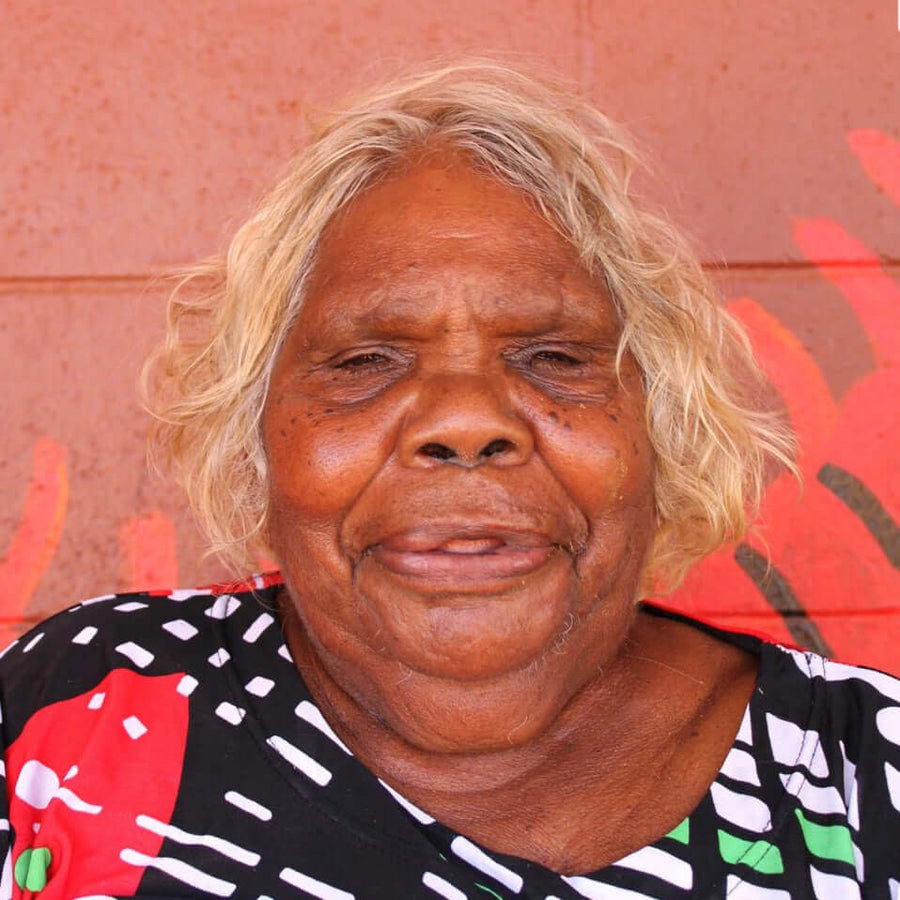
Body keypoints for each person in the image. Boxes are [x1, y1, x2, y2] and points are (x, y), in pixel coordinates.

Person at [1, 62, 897, 900]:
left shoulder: (870, 784)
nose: (465, 421)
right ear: (258, 437)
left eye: (554, 356)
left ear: (661, 427)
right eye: (364, 360)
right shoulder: (80, 710)